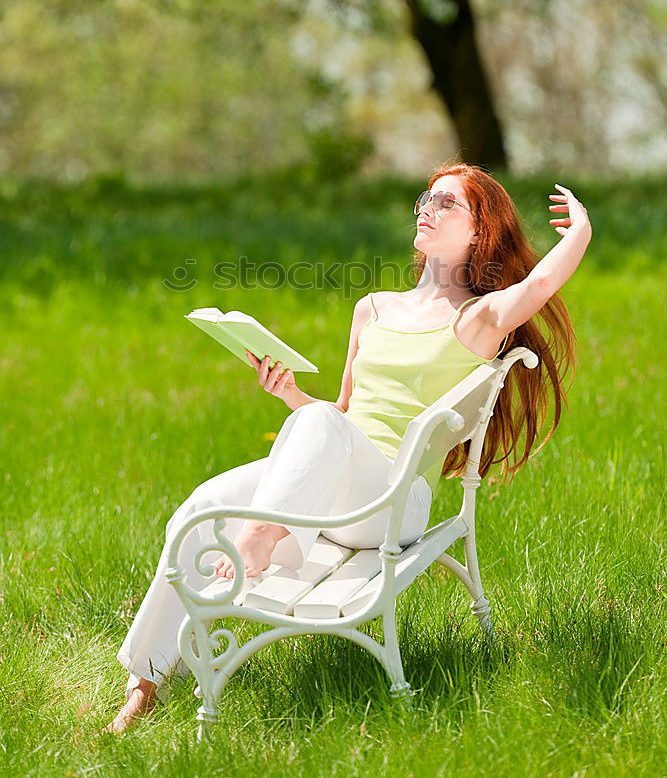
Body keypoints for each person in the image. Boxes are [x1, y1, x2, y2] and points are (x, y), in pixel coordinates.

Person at [106, 162, 591, 733]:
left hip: (391, 502)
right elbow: (339, 416)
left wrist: (580, 231)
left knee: (308, 440)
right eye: (424, 199)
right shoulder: (374, 308)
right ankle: (146, 683)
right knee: (200, 505)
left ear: (480, 232)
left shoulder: (477, 318)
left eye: (446, 202)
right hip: (337, 485)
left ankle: (258, 542)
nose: (426, 209)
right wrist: (290, 394)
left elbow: (538, 285)